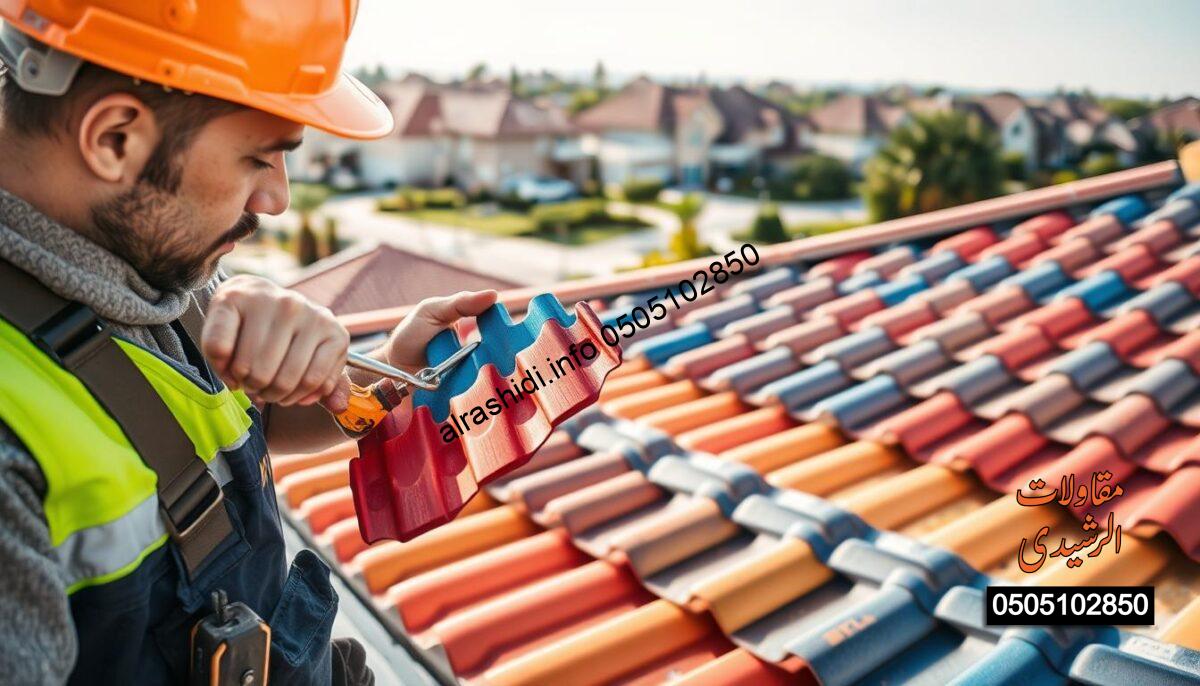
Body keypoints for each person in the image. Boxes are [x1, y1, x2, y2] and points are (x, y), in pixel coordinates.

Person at [0, 2, 496, 683]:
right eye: (259, 159)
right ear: (114, 139)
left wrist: (384, 371)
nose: (277, 200)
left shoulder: (138, 262)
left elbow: (203, 431)